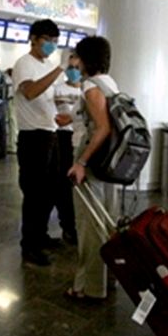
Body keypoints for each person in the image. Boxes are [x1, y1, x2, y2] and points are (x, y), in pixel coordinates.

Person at [12, 19, 69, 266]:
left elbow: (48, 97)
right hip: (32, 137)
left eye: (55, 41)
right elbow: (30, 92)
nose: (51, 45)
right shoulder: (24, 64)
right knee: (34, 195)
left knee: (49, 191)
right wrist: (59, 70)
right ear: (33, 38)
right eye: (47, 40)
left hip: (50, 133)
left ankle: (42, 236)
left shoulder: (47, 65)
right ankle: (29, 247)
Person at [64, 36, 118, 301]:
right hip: (109, 160)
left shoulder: (90, 86)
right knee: (107, 221)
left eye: (76, 56)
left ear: (86, 58)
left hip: (93, 159)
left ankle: (89, 288)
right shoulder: (109, 83)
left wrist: (81, 162)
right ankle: (109, 279)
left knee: (90, 226)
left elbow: (102, 127)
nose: (74, 61)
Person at [53, 54, 83, 245]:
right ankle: (68, 226)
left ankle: (81, 226)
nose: (73, 71)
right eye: (70, 67)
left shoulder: (88, 90)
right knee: (63, 185)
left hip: (81, 140)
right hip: (63, 138)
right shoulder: (57, 90)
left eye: (76, 67)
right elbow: (55, 117)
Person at [4, 68, 18, 154]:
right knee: (14, 124)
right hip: (15, 101)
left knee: (12, 123)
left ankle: (12, 145)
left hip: (10, 101)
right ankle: (12, 144)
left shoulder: (8, 81)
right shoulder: (15, 81)